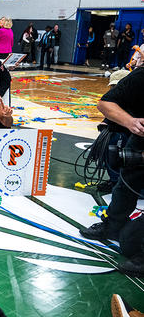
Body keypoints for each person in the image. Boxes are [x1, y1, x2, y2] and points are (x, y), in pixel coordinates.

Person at [79, 66, 144, 278]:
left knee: (131, 243)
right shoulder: (141, 76)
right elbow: (105, 103)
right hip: (141, 142)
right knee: (125, 185)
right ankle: (112, 225)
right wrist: (131, 123)